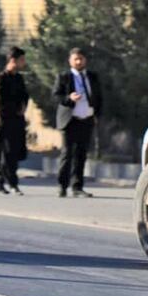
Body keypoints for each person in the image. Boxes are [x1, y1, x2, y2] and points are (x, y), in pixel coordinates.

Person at [53, 47, 103, 198]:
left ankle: (77, 187)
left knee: (81, 155)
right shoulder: (64, 77)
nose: (79, 61)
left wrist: (97, 114)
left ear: (85, 60)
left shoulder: (92, 77)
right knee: (67, 154)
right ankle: (62, 186)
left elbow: (99, 97)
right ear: (70, 61)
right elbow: (56, 96)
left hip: (86, 120)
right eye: (76, 59)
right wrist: (69, 98)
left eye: (81, 59)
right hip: (70, 120)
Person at [0, 46, 29, 195]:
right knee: (8, 153)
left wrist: (23, 107)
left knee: (14, 152)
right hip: (4, 121)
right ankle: (13, 184)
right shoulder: (0, 78)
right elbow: (1, 100)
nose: (23, 63)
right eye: (21, 60)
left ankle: (0, 181)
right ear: (13, 60)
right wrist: (14, 109)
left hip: (18, 120)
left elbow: (25, 95)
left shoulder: (19, 78)